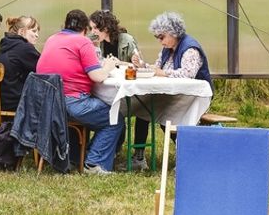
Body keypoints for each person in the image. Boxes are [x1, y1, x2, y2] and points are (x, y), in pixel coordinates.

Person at [35, 9, 122, 175]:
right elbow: (97, 76)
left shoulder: (52, 39)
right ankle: (94, 163)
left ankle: (78, 157)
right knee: (115, 118)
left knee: (101, 114)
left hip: (49, 104)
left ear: (65, 25)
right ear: (85, 29)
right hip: (73, 102)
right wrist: (108, 66)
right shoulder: (82, 42)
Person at [131, 11, 212, 152]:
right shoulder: (167, 49)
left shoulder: (190, 48)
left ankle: (187, 154)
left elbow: (188, 74)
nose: (160, 41)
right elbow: (158, 67)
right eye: (158, 37)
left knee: (165, 114)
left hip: (192, 97)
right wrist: (143, 65)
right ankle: (139, 155)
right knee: (143, 110)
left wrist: (162, 73)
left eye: (161, 37)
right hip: (174, 94)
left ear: (173, 33)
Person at [0, 15, 40, 112]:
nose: (37, 35)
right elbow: (44, 68)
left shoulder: (7, 45)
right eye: (33, 31)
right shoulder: (24, 48)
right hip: (14, 103)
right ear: (21, 32)